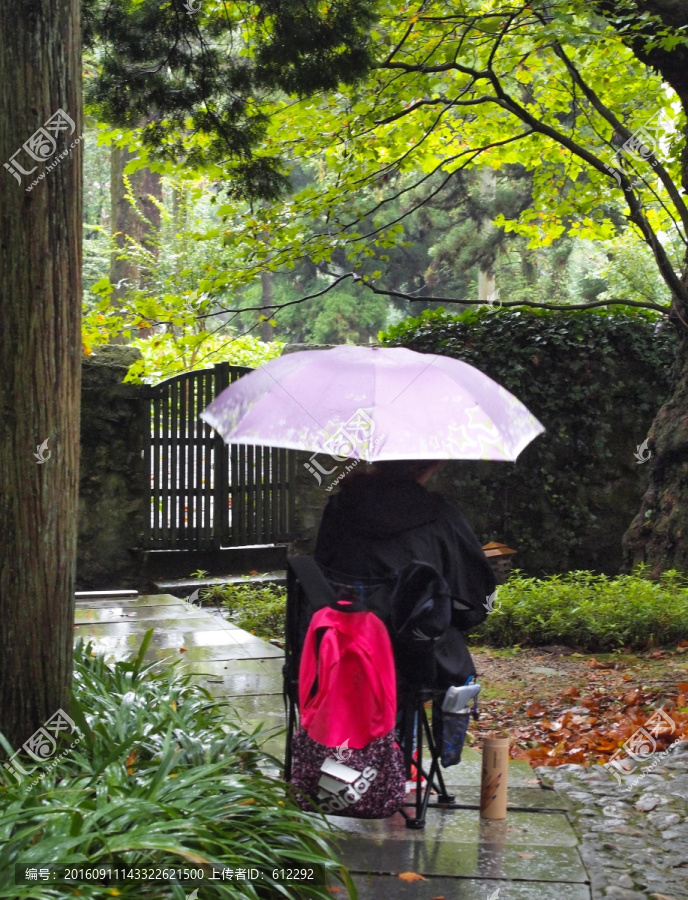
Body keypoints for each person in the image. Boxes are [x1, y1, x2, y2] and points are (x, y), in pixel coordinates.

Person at [313, 458, 496, 637]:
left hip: (342, 645)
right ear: (432, 465)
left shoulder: (338, 509)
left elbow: (322, 574)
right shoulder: (441, 518)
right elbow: (475, 599)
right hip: (420, 653)